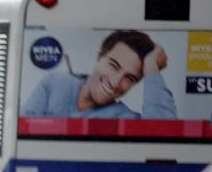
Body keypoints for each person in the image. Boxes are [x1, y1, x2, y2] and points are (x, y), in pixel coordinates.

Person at [22, 30, 176, 119]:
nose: (115, 82)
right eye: (113, 65)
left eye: (129, 78)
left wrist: (151, 67)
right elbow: (23, 130)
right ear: (99, 57)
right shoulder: (54, 84)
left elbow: (165, 135)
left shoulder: (123, 117)